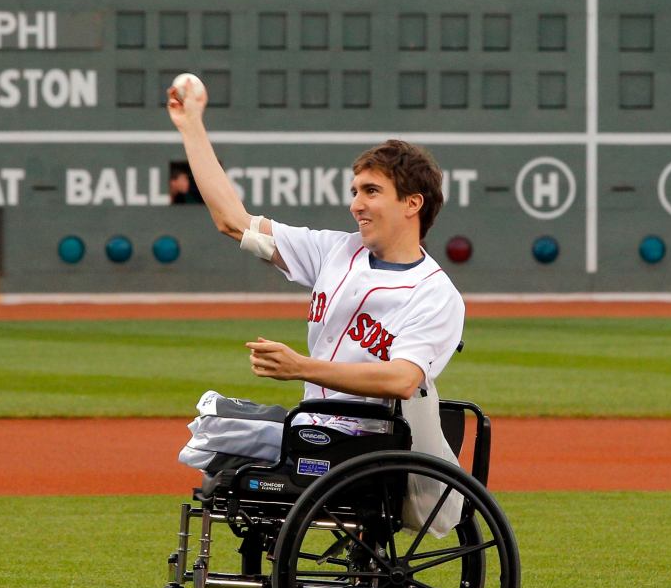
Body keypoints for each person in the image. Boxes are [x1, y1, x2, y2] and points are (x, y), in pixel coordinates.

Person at [167, 78, 465, 473]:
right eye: (355, 190)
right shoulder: (335, 251)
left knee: (220, 434)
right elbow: (234, 222)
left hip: (367, 445)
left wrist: (301, 367)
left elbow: (402, 379)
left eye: (371, 191)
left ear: (412, 203)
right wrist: (191, 126)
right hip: (314, 428)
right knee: (213, 426)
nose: (355, 204)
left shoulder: (436, 294)